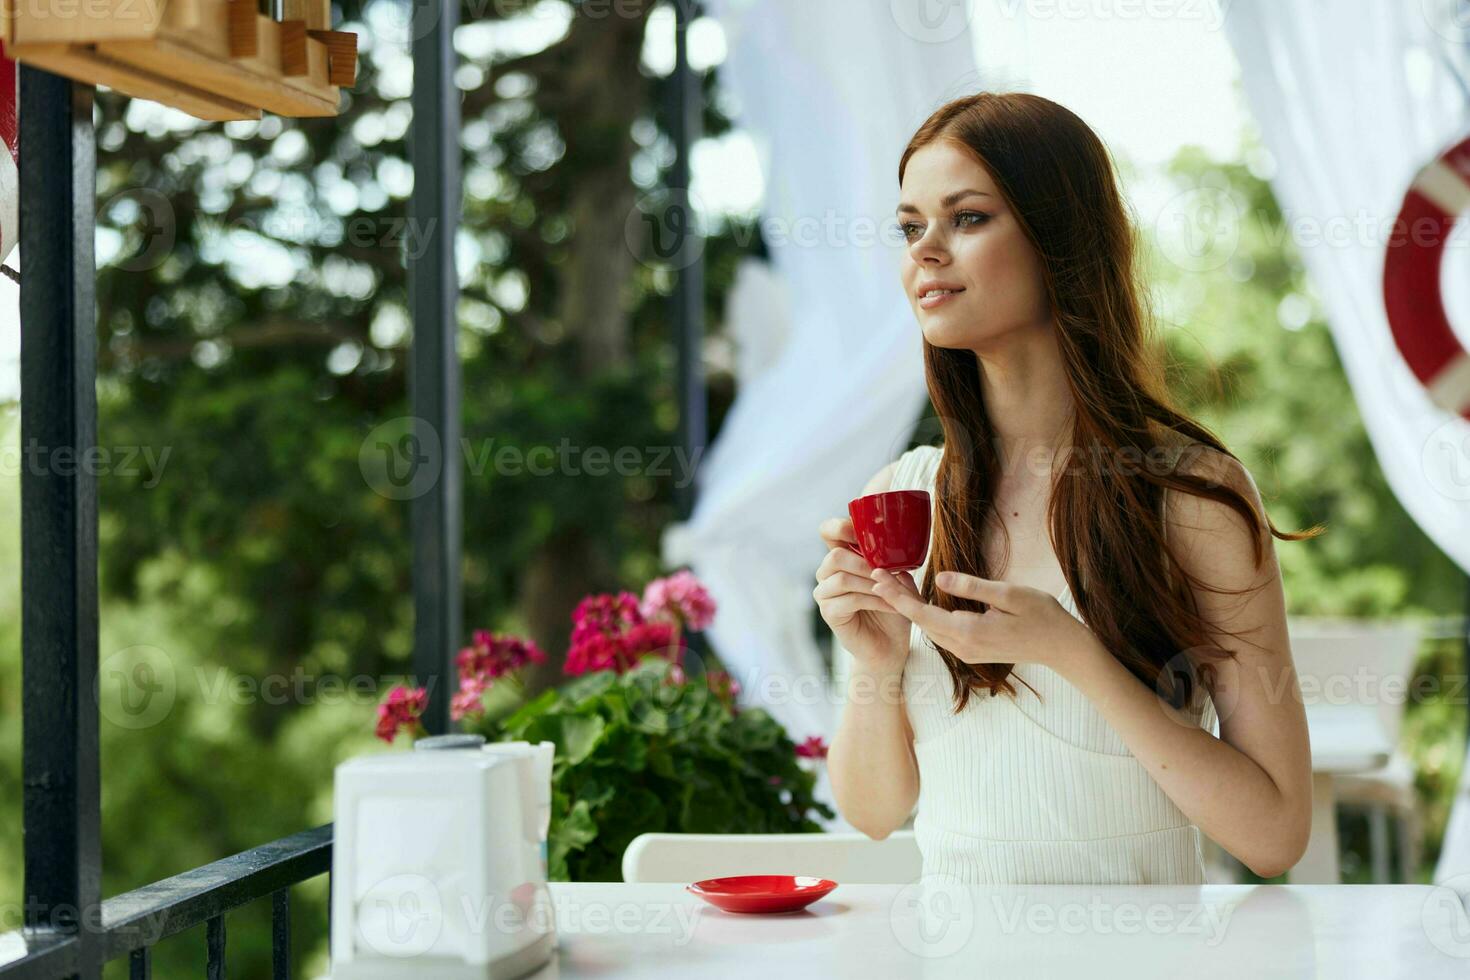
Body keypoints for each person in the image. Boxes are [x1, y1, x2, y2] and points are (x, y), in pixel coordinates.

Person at [814, 91, 1323, 885]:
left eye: (968, 218)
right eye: (912, 227)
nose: (926, 251)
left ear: (1061, 238)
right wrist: (876, 664)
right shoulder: (903, 496)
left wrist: (1071, 653)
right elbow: (875, 814)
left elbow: (1275, 834)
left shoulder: (1191, 498)